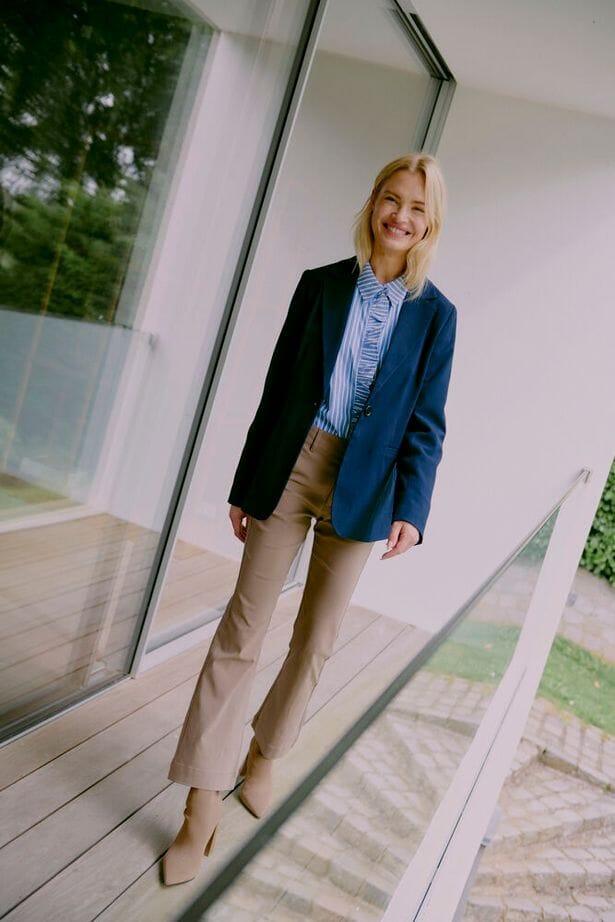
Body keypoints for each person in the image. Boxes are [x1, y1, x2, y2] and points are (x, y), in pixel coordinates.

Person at [162, 153, 457, 885]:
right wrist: (246, 483)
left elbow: (427, 422)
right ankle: (201, 801)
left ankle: (265, 754)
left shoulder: (436, 316)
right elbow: (277, 389)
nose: (400, 216)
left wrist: (413, 509)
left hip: (367, 487)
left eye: (417, 208)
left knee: (317, 638)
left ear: (430, 223)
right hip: (293, 464)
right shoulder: (320, 285)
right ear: (373, 202)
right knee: (242, 630)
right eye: (391, 199)